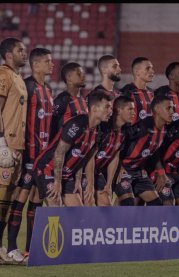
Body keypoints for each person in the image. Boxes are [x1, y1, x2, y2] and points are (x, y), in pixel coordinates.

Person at [6, 48, 54, 262]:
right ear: (36, 65)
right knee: (21, 198)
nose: (52, 65)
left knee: (36, 201)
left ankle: (29, 250)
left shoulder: (48, 89)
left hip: (43, 157)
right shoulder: (28, 86)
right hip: (29, 155)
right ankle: (11, 248)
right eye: (48, 61)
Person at [33, 90, 113, 207]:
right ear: (95, 108)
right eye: (107, 107)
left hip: (67, 174)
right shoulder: (77, 124)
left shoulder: (98, 131)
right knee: (57, 209)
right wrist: (57, 182)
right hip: (47, 169)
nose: (110, 111)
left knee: (78, 212)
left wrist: (78, 179)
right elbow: (59, 153)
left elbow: (83, 157)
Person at [115, 94, 173, 206]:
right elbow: (120, 142)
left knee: (156, 204)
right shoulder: (143, 127)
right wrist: (119, 165)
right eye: (168, 108)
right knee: (128, 203)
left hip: (138, 171)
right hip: (124, 169)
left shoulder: (164, 130)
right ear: (157, 110)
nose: (172, 112)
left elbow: (154, 150)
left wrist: (160, 171)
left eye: (172, 108)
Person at [0, 37, 27, 262]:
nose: (24, 53)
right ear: (9, 54)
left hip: (17, 147)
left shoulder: (18, 78)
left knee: (7, 200)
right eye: (20, 50)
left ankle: (1, 247)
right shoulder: (3, 74)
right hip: (5, 146)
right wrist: (1, 142)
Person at [84, 95, 135, 206]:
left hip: (98, 172)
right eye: (130, 109)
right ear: (119, 111)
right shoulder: (103, 127)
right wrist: (90, 184)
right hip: (84, 171)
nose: (133, 113)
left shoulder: (125, 130)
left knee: (106, 204)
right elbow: (90, 156)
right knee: (88, 203)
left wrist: (109, 184)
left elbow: (115, 156)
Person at [50, 62, 88, 140]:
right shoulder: (61, 100)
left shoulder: (84, 101)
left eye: (83, 73)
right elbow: (52, 127)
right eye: (79, 74)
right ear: (69, 78)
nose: (83, 76)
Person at [120, 57, 154, 125]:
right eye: (147, 68)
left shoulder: (152, 93)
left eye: (152, 68)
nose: (152, 71)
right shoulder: (126, 92)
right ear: (137, 72)